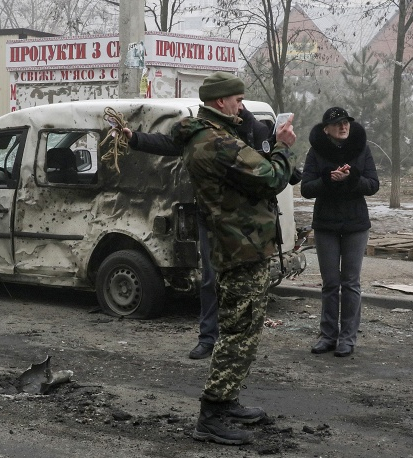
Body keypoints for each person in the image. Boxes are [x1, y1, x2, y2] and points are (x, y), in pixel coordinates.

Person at [170, 71, 297, 445]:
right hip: (240, 246)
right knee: (238, 333)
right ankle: (211, 414)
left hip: (239, 243)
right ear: (220, 102)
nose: (241, 106)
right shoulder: (216, 141)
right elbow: (272, 177)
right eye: (238, 100)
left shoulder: (210, 136)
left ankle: (225, 401)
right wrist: (283, 146)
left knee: (240, 328)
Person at [123, 105, 272, 360]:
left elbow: (268, 169)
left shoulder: (253, 129)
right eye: (234, 99)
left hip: (243, 221)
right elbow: (171, 143)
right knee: (210, 279)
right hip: (210, 217)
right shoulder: (204, 130)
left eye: (240, 99)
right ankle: (207, 338)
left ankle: (238, 342)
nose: (238, 105)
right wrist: (135, 138)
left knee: (241, 283)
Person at [300, 107, 379, 357]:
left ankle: (347, 338)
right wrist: (328, 179)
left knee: (351, 282)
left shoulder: (361, 148)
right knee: (331, 283)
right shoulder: (316, 152)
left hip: (356, 224)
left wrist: (353, 177)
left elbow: (373, 185)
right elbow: (306, 189)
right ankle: (327, 335)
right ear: (326, 129)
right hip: (326, 225)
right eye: (337, 124)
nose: (343, 127)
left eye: (346, 122)